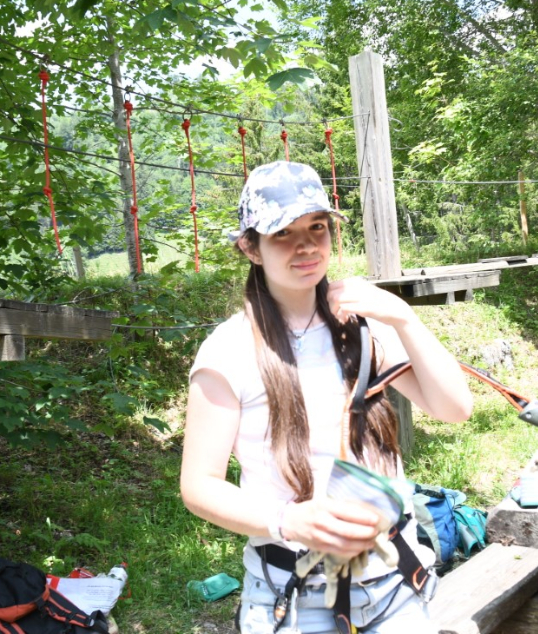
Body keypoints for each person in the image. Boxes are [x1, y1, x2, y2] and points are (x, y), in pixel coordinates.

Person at [180, 160, 473, 633]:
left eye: (317, 227)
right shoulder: (228, 351)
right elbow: (199, 485)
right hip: (295, 596)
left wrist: (404, 317)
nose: (306, 245)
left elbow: (454, 408)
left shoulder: (361, 325)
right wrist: (289, 521)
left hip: (394, 582)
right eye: (283, 233)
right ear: (250, 247)